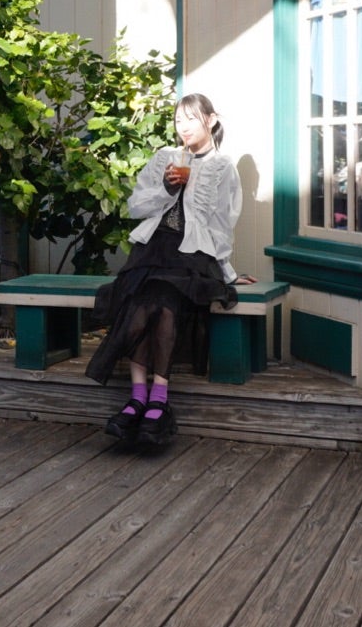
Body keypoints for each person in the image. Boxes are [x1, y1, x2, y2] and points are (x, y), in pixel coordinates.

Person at [85, 93, 256, 447]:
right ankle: (139, 398)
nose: (183, 127)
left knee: (163, 303)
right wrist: (166, 188)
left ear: (211, 119)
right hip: (151, 249)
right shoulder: (164, 157)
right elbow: (136, 206)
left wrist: (226, 272)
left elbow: (223, 225)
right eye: (178, 120)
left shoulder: (222, 167)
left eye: (191, 119)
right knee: (139, 301)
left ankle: (157, 400)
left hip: (193, 255)